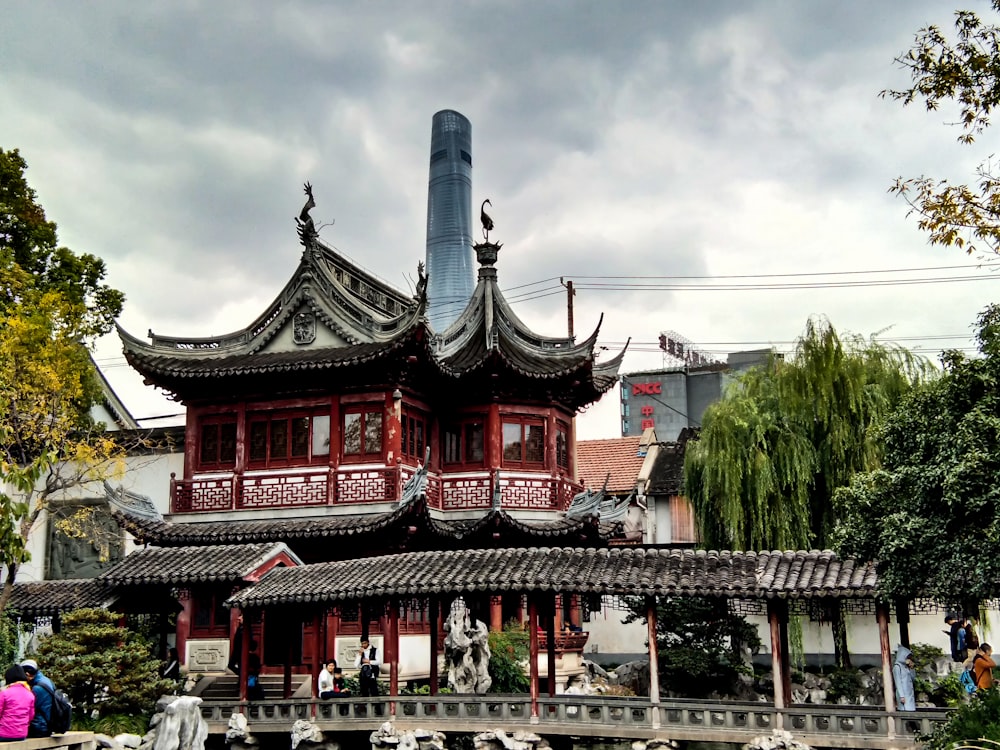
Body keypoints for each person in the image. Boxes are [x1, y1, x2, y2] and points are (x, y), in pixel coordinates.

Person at [20, 660, 54, 738]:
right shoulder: (47, 681)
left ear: (27, 674)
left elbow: (29, 709)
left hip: (39, 727)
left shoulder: (37, 688)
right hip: (47, 725)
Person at [0, 665, 34, 741]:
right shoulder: (30, 694)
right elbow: (31, 716)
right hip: (22, 735)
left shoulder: (4, 693)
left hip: (3, 734)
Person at [892, 646, 916, 711]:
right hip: (903, 694)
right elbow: (898, 682)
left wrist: (911, 668)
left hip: (909, 693)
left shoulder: (906, 667)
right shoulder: (897, 667)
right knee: (905, 710)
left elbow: (913, 678)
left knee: (911, 710)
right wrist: (901, 696)